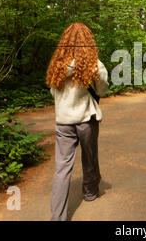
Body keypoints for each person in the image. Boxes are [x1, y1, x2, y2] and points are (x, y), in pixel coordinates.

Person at [45, 22, 109, 221]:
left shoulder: (57, 65)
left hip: (63, 122)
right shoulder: (94, 64)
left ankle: (58, 216)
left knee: (62, 168)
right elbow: (101, 90)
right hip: (86, 120)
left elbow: (53, 91)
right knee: (89, 158)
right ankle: (90, 193)